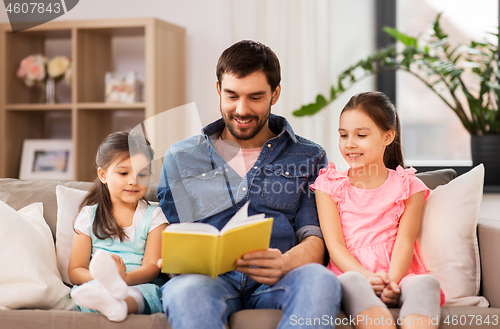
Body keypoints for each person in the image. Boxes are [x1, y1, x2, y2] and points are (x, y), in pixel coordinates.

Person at [157, 40, 341, 329]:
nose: (241, 110)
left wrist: (284, 263)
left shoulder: (308, 156)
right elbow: (168, 233)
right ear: (218, 89)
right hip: (206, 281)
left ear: (275, 94)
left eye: (255, 97)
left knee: (321, 280)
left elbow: (315, 240)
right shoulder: (181, 157)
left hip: (280, 277)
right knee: (185, 291)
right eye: (231, 96)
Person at [311, 92, 444, 329]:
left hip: (398, 274)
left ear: (388, 136)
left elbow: (405, 242)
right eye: (343, 135)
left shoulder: (408, 185)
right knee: (352, 281)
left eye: (361, 135)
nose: (349, 143)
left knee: (426, 283)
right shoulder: (329, 185)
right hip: (350, 272)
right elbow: (335, 247)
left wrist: (391, 282)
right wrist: (368, 277)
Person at [68, 131, 168, 322]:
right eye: (123, 173)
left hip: (136, 282)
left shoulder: (155, 216)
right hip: (97, 282)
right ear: (103, 175)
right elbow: (75, 270)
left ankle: (119, 305)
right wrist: (104, 281)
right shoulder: (89, 215)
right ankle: (106, 302)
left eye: (142, 174)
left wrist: (123, 281)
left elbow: (151, 267)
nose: (134, 180)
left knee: (143, 294)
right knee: (89, 291)